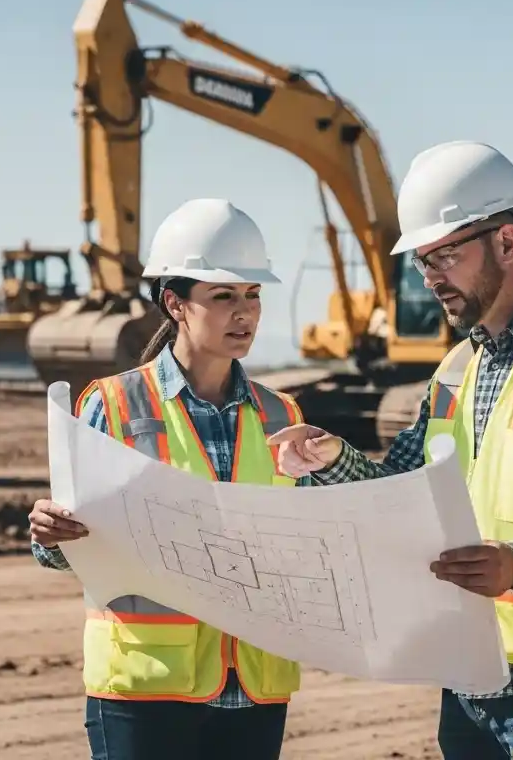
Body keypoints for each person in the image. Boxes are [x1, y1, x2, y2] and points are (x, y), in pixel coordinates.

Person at [268, 140, 513, 759]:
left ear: (506, 242)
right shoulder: (457, 368)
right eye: (422, 261)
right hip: (472, 664)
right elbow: (401, 489)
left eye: (445, 256)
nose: (430, 278)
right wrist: (331, 459)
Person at [28, 198, 311, 760]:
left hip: (254, 686)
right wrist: (50, 535)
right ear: (174, 303)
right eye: (223, 296)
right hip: (146, 686)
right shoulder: (113, 406)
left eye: (253, 295)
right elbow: (67, 547)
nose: (244, 313)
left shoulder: (283, 416)